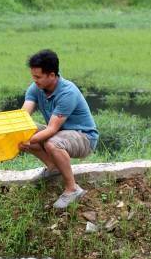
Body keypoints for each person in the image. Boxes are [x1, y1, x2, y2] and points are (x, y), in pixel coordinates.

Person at [19, 49, 98, 209]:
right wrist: (18, 134)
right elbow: (23, 117)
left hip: (84, 138)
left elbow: (52, 129)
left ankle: (72, 189)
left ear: (52, 75)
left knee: (52, 143)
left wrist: (29, 141)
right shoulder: (36, 88)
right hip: (59, 134)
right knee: (26, 130)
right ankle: (53, 168)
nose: (34, 81)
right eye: (33, 76)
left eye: (38, 77)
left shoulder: (67, 92)